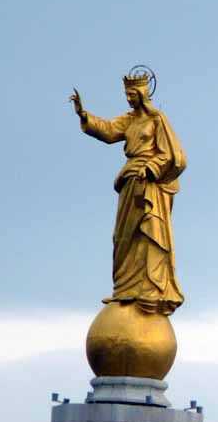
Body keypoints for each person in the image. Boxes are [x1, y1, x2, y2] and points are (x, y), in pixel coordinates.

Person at [69, 72, 186, 314]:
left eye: (132, 95)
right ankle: (125, 287)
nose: (129, 99)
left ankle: (150, 287)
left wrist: (151, 168)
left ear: (142, 94)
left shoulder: (157, 120)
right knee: (123, 237)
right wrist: (84, 115)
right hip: (129, 181)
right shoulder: (129, 120)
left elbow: (175, 156)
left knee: (148, 233)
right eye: (126, 95)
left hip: (149, 185)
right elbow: (110, 130)